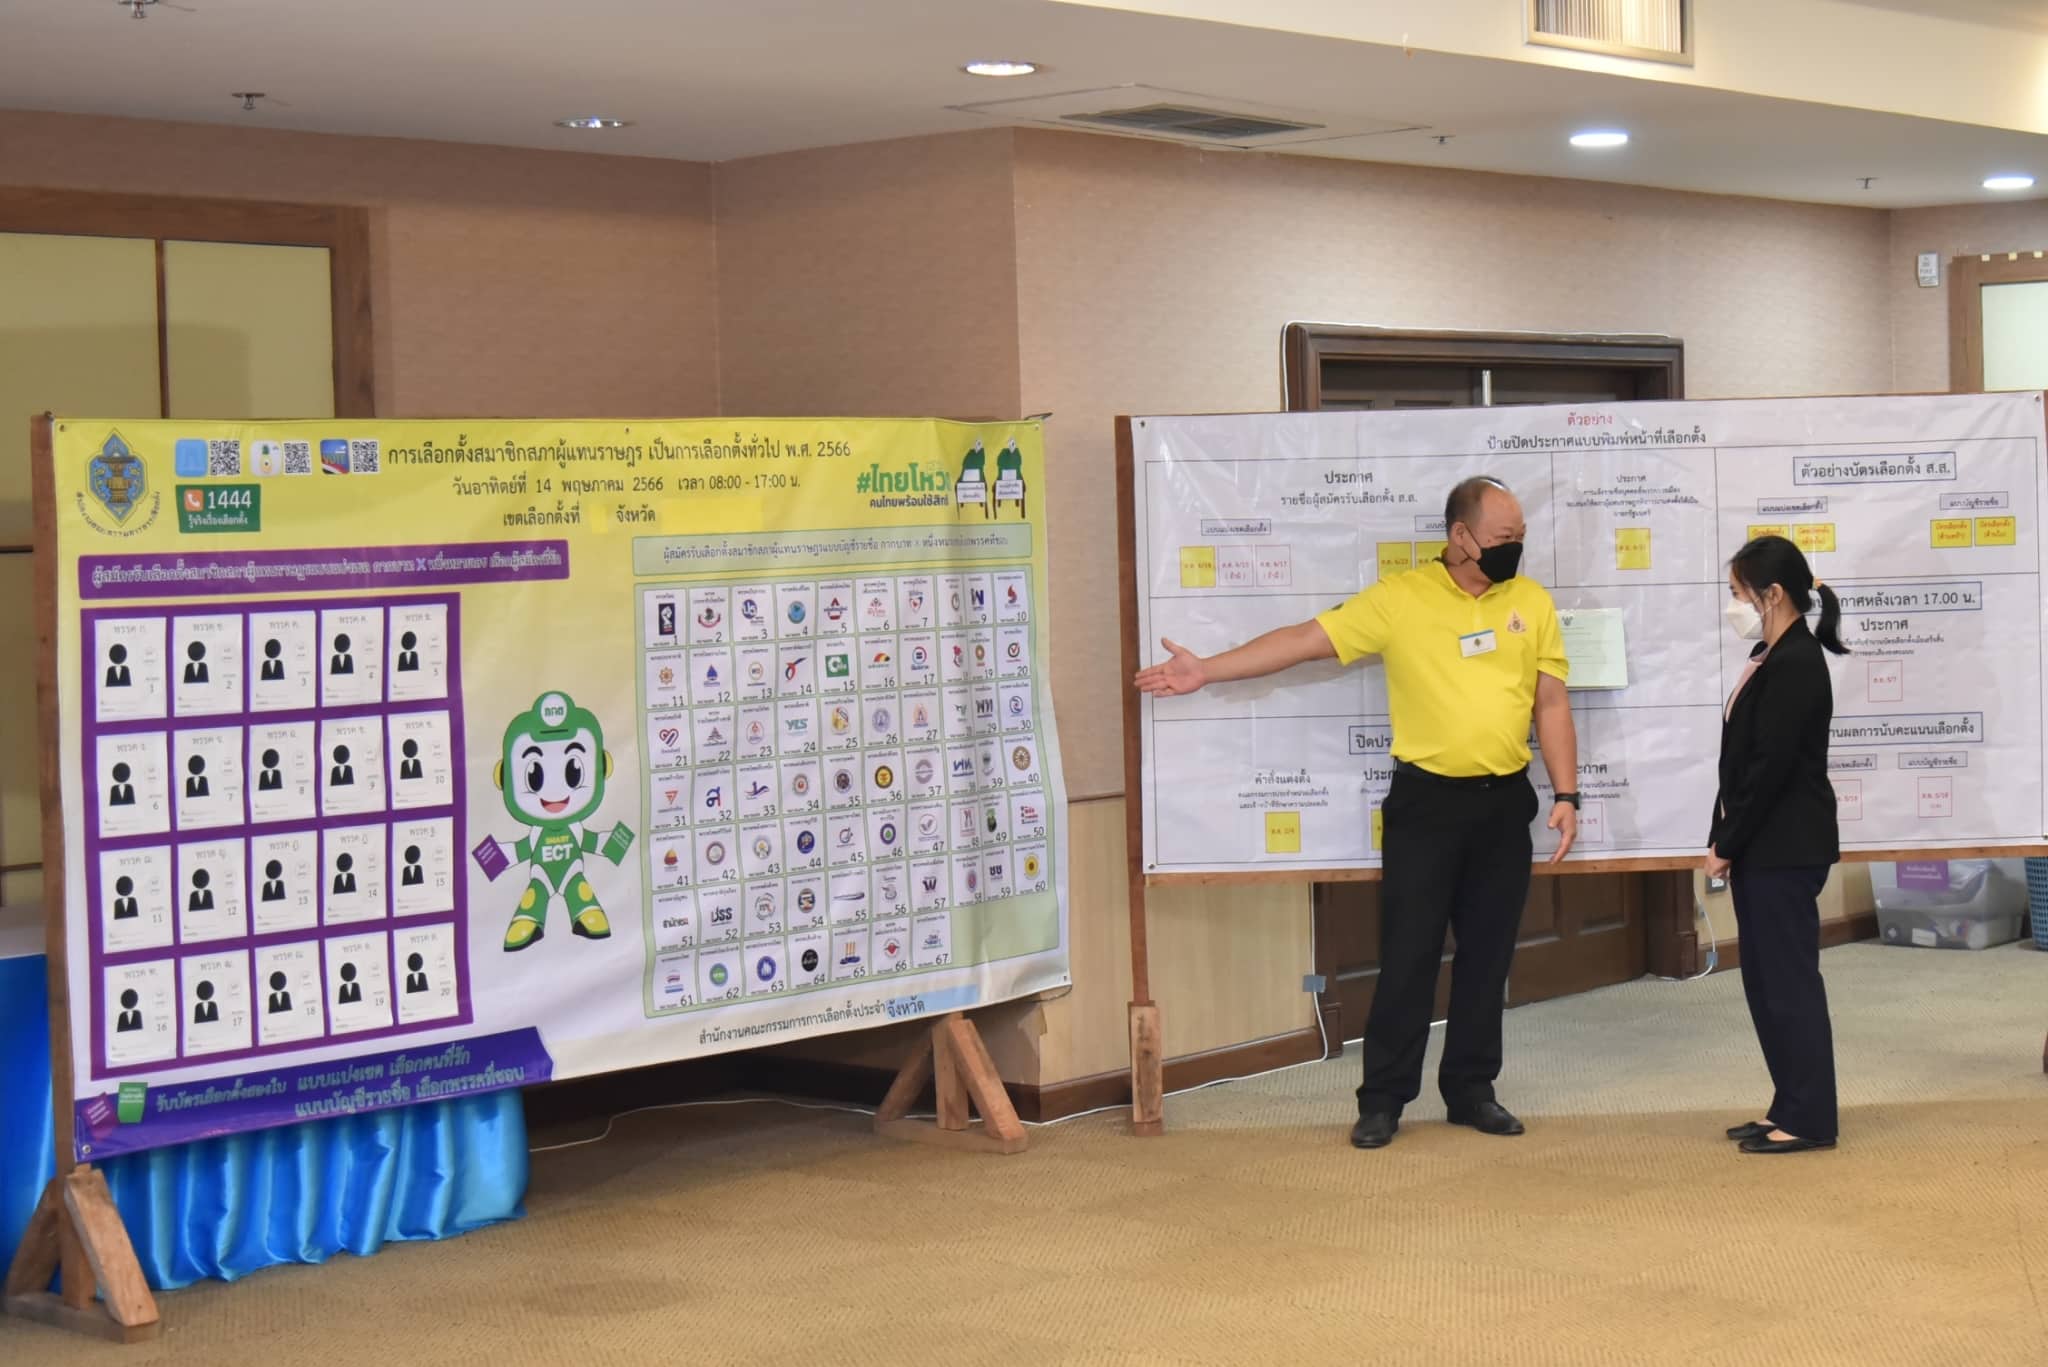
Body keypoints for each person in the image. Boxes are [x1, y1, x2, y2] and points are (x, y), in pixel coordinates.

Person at [1135, 476, 1579, 1150]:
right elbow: (1302, 640)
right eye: (1501, 538)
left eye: (1519, 537)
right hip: (1426, 806)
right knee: (1408, 957)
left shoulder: (1531, 601)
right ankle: (1383, 1100)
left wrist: (1568, 794)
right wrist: (1209, 670)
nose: (1513, 548)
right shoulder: (1401, 598)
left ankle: (1472, 1090)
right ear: (1460, 536)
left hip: (1502, 804)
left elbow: (1551, 702)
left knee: (1488, 959)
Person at [1707, 535, 1846, 1155]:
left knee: (1788, 983)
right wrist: (1723, 834)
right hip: (1763, 846)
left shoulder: (1796, 663)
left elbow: (1770, 771)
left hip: (1784, 847)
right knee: (1765, 983)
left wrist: (1727, 843)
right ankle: (1788, 1104)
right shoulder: (1770, 654)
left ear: (1773, 594)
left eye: (1738, 593)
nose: (1733, 605)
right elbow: (1740, 761)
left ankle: (1810, 1118)